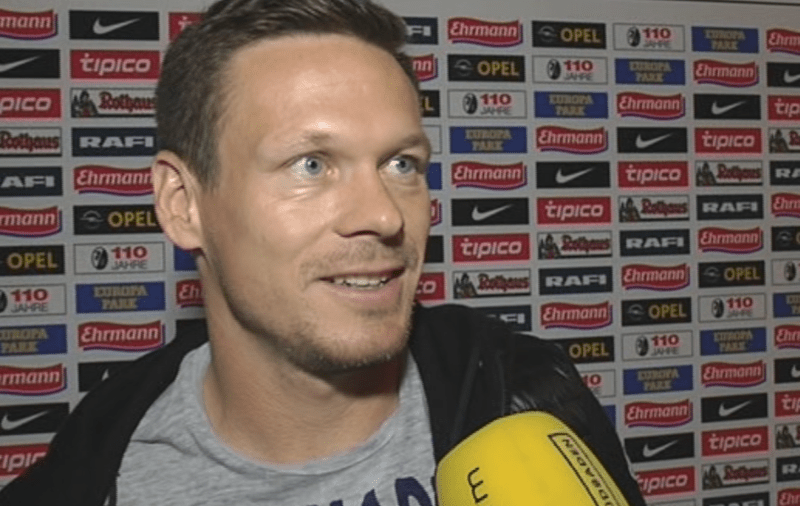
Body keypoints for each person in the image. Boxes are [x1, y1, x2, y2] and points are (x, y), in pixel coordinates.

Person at [0, 1, 645, 505]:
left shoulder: (523, 393)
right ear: (182, 204)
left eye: (401, 163)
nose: (383, 215)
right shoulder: (95, 473)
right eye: (311, 164)